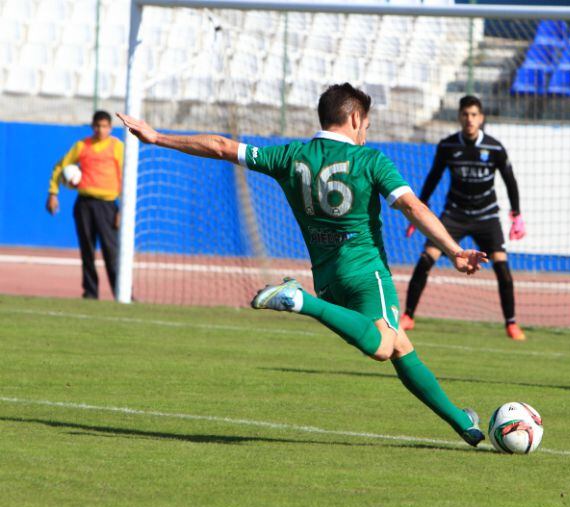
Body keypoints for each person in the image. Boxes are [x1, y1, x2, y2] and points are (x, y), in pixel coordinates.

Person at [117, 83, 490, 445]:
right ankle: (300, 300)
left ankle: (463, 423)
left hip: (327, 278)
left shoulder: (291, 155)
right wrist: (454, 250)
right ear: (355, 118)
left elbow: (220, 146)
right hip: (366, 273)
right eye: (367, 124)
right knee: (383, 345)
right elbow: (413, 206)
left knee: (401, 347)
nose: (366, 132)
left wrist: (158, 137)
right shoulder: (370, 160)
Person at [400, 95, 526, 340]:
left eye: (474, 115)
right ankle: (408, 316)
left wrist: (516, 215)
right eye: (465, 114)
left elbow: (510, 181)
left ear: (481, 118)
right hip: (454, 214)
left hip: (487, 216)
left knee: (502, 266)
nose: (469, 119)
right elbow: (433, 176)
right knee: (426, 259)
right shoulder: (447, 146)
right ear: (459, 117)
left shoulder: (495, 148)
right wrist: (419, 209)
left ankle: (511, 324)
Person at [46, 111, 124, 299]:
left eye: (104, 126)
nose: (100, 130)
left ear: (110, 128)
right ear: (92, 126)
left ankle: (122, 292)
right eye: (97, 126)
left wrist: (122, 209)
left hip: (108, 205)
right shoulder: (82, 146)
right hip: (84, 204)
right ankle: (90, 292)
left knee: (111, 251)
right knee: (87, 249)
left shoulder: (117, 146)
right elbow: (60, 167)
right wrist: (53, 193)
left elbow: (126, 177)